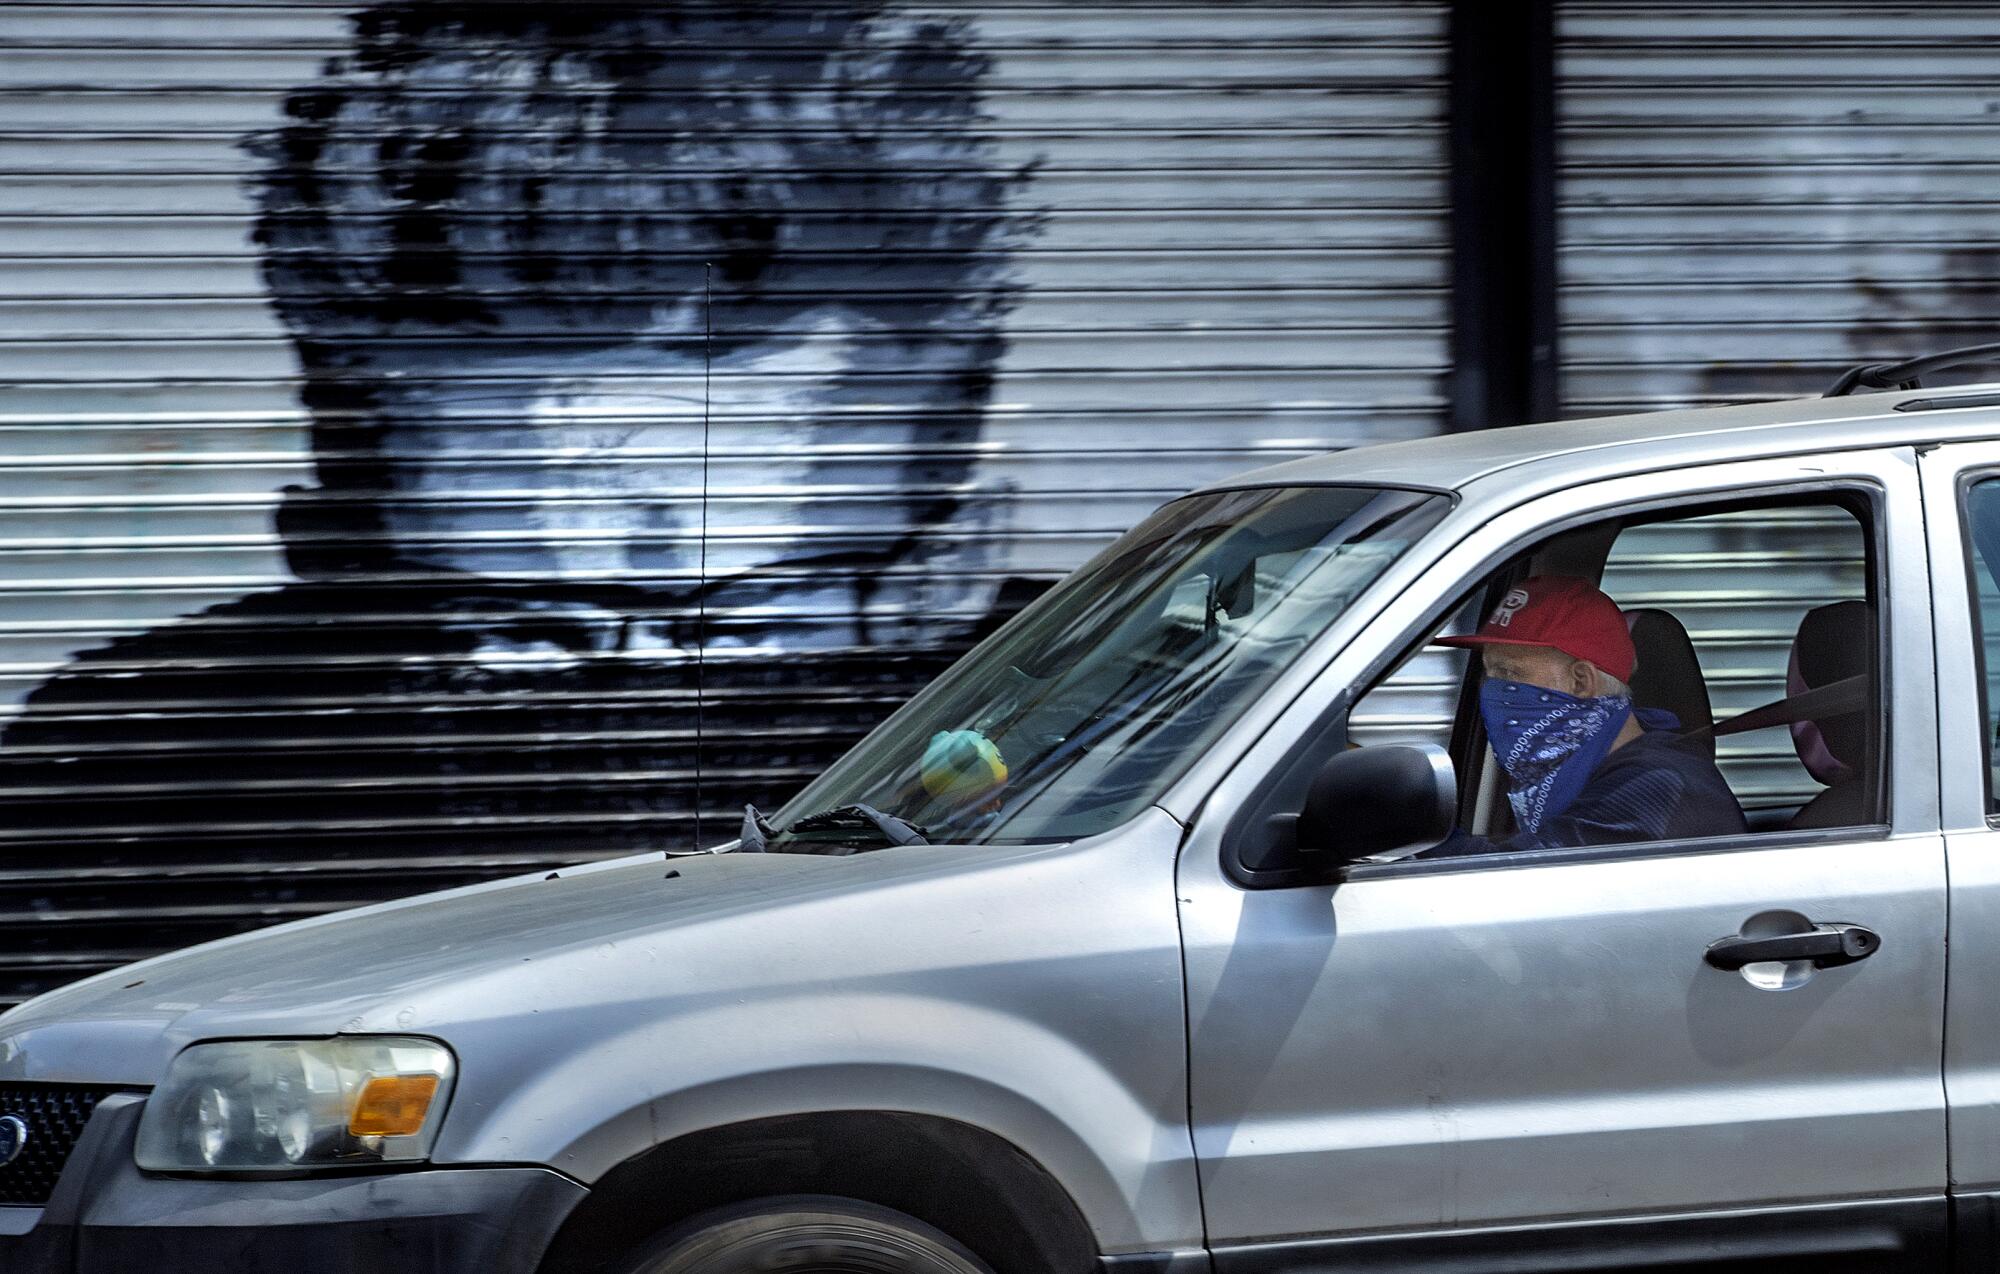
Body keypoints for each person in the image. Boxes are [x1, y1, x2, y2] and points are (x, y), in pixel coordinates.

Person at [1424, 575, 1747, 855]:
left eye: (1510, 673)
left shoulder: (1657, 783)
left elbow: (1521, 883)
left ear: (1581, 681)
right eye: (1489, 674)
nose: (1492, 690)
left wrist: (1412, 826)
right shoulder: (1585, 771)